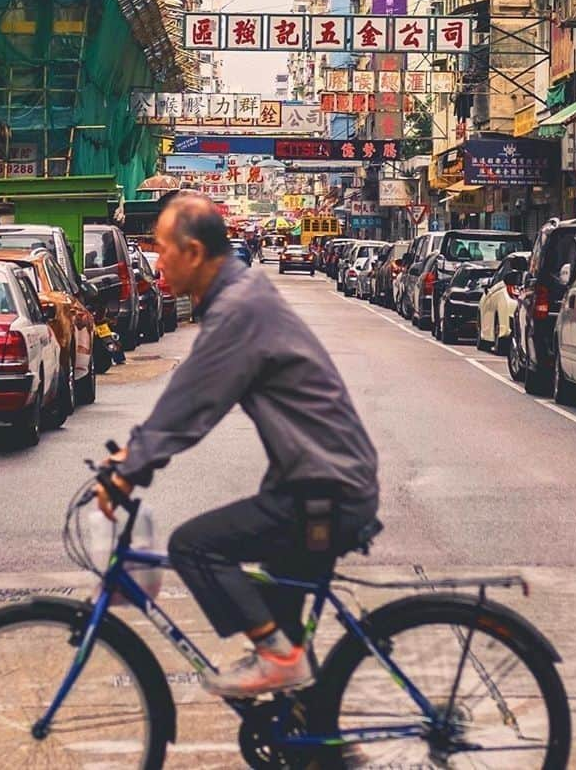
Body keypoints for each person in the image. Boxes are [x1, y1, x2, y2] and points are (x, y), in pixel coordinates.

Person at [97, 193, 380, 701]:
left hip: (324, 490)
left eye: (161, 248)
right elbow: (190, 400)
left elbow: (192, 402)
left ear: (194, 252)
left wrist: (131, 465)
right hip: (324, 481)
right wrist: (137, 457)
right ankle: (320, 745)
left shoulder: (238, 309)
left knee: (195, 546)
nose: (155, 259)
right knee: (280, 623)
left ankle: (276, 658)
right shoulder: (242, 297)